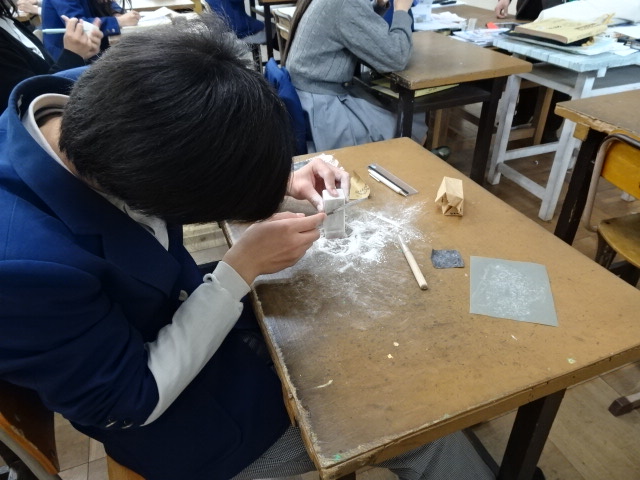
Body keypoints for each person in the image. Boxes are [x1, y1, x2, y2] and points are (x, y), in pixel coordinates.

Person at [0, 13, 493, 480]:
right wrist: (237, 271)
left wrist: (274, 180)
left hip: (186, 319)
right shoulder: (23, 269)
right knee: (421, 430)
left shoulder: (94, 100)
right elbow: (130, 402)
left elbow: (172, 161)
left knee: (357, 327)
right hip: (183, 420)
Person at [283, 0, 414, 152]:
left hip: (311, 101)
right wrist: (401, 10)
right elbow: (397, 56)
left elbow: (352, 24)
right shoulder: (345, 3)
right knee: (411, 121)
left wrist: (378, 7)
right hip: (322, 112)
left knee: (390, 109)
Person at [0, 0, 102, 109]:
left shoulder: (8, 22)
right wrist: (73, 56)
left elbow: (44, 72)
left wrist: (82, 53)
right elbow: (29, 102)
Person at [494, 0, 570, 142]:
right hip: (530, 14)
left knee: (562, 70)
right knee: (528, 66)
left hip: (567, 16)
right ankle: (524, 113)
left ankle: (550, 127)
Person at [41, 0, 139, 60]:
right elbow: (78, 25)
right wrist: (118, 21)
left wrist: (115, 12)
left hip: (95, 50)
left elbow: (110, 3)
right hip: (70, 60)